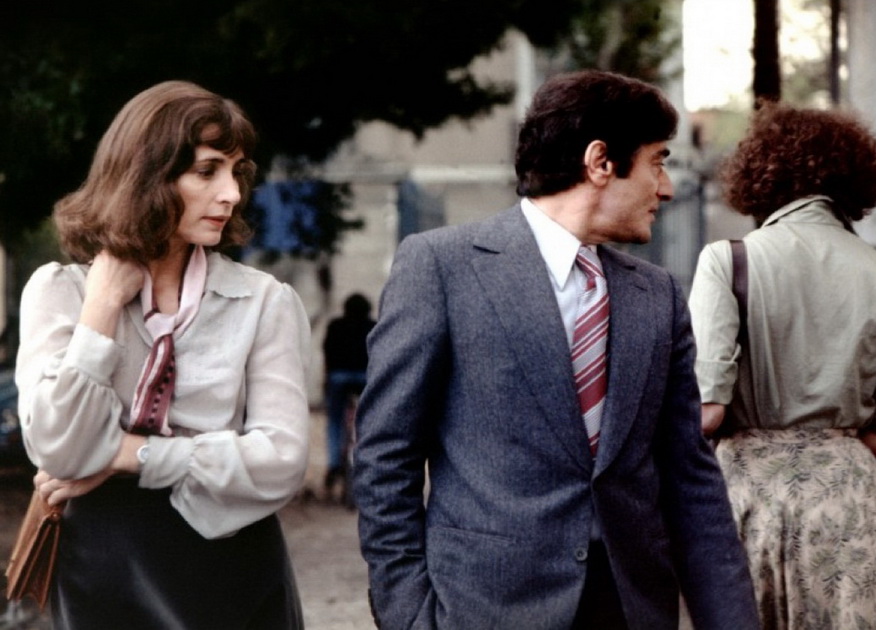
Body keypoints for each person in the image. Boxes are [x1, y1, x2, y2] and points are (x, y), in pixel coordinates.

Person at [353, 69, 758, 630]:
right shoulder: (442, 267)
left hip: (630, 611)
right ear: (600, 162)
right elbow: (385, 456)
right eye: (657, 162)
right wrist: (408, 614)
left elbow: (691, 479)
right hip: (483, 611)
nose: (665, 188)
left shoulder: (658, 296)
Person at [15, 80, 311, 629]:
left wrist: (129, 455)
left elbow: (282, 460)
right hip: (104, 569)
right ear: (145, 175)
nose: (231, 193)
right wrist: (102, 307)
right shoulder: (61, 292)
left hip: (233, 563)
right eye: (207, 171)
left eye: (236, 172)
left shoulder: (262, 301)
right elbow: (58, 450)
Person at [689, 102, 876, 628]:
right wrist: (836, 431)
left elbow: (708, 410)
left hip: (748, 497)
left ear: (760, 174)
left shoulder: (727, 261)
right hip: (851, 502)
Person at [322, 292, 375, 496]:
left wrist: (326, 381)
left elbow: (327, 354)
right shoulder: (373, 327)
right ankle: (366, 462)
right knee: (367, 422)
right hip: (364, 379)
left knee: (335, 420)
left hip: (338, 378)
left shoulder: (336, 325)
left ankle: (334, 463)